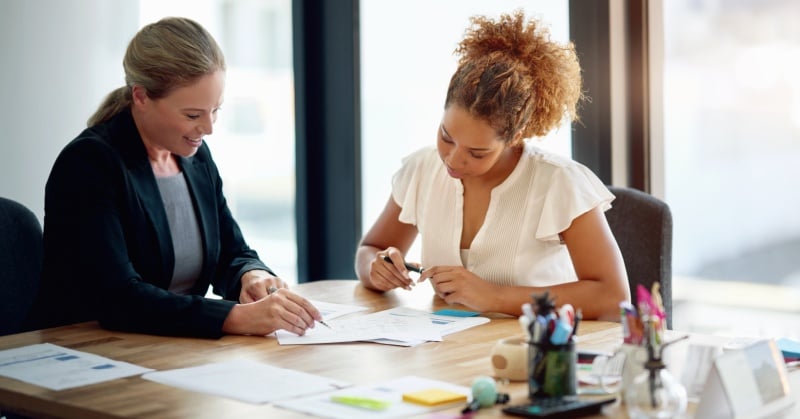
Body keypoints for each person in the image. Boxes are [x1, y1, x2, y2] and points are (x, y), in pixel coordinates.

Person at [24, 17, 322, 338]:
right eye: (193, 115)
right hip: (88, 351)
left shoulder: (194, 156)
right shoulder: (89, 164)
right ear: (141, 97)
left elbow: (231, 252)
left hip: (168, 347)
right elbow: (118, 297)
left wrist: (251, 276)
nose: (208, 128)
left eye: (216, 110)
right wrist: (234, 318)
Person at [355, 11, 630, 321]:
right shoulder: (422, 170)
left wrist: (495, 296)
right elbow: (371, 248)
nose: (453, 159)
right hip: (449, 355)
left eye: (477, 152)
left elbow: (612, 296)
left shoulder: (559, 183)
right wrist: (376, 269)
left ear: (515, 137)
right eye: (447, 136)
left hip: (535, 355)